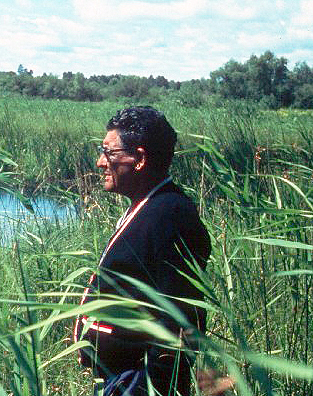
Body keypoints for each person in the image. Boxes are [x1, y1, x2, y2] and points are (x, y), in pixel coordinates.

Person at [74, 107, 211, 396]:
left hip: (141, 381)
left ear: (139, 158)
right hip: (120, 377)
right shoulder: (148, 206)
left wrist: (150, 386)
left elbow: (178, 320)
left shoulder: (171, 215)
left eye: (108, 153)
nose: (100, 163)